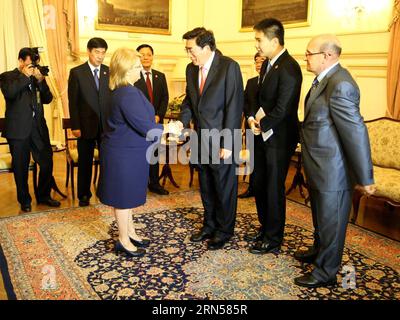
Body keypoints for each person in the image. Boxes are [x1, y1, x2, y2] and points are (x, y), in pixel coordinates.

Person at [294, 34, 375, 288]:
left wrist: (365, 177)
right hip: (319, 166)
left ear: (327, 56)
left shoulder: (341, 84)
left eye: (309, 53)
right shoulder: (322, 81)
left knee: (332, 223)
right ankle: (319, 252)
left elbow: (355, 133)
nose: (305, 57)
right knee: (321, 218)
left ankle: (325, 272)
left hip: (333, 172)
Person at [97, 48, 179, 257]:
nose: (140, 68)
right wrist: (170, 128)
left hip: (125, 151)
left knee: (127, 196)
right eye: (135, 66)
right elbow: (145, 126)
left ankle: (130, 233)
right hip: (125, 154)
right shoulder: (128, 93)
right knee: (124, 198)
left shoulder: (122, 90)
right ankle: (123, 240)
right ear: (124, 70)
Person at [178, 27, 244, 250]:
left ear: (206, 47)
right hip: (200, 139)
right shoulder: (190, 69)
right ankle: (209, 225)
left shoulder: (229, 67)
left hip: (222, 139)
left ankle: (224, 230)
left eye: (191, 50)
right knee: (206, 185)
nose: (189, 55)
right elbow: (189, 101)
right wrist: (182, 122)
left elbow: (234, 107)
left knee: (224, 187)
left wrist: (229, 144)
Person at [247, 18, 303, 254]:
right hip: (262, 135)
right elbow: (257, 98)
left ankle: (274, 237)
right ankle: (264, 227)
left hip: (279, 139)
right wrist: (252, 119)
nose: (256, 45)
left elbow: (284, 108)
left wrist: (262, 123)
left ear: (274, 40)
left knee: (273, 188)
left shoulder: (289, 67)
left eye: (259, 40)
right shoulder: (269, 64)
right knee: (259, 184)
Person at [0, 48, 61, 212]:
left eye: (35, 64)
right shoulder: (8, 76)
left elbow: (48, 99)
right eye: (29, 64)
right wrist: (25, 76)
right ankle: (24, 200)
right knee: (20, 166)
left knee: (47, 162)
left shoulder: (36, 77)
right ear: (20, 61)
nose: (33, 67)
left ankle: (44, 196)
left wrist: (41, 81)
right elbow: (10, 93)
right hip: (18, 130)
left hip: (38, 128)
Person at [68, 37, 111, 207]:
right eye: (97, 52)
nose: (100, 56)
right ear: (89, 51)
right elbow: (73, 102)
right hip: (85, 127)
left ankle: (104, 191)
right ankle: (84, 195)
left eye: (103, 53)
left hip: (106, 127)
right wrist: (75, 126)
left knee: (107, 161)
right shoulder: (77, 72)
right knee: (85, 162)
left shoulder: (109, 71)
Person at [134, 44, 170, 195]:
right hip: (139, 124)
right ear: (138, 58)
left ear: (153, 57)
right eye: (142, 55)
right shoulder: (133, 76)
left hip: (156, 122)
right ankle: (139, 184)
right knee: (140, 154)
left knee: (154, 153)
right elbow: (133, 101)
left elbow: (164, 98)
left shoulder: (160, 76)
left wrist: (159, 115)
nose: (146, 57)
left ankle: (154, 183)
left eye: (148, 54)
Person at [238, 52, 265, 199]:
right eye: (256, 61)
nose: (259, 63)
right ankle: (252, 187)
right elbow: (245, 103)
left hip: (267, 127)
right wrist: (249, 118)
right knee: (253, 159)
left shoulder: (272, 82)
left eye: (262, 60)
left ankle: (264, 189)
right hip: (251, 125)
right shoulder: (251, 82)